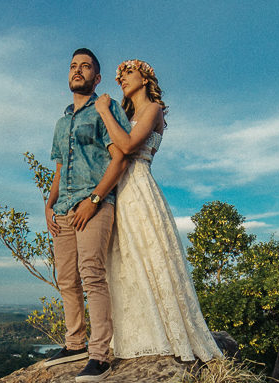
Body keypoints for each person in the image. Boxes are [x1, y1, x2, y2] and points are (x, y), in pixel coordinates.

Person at [94, 60, 222, 362]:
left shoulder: (153, 110)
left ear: (145, 77)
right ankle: (130, 333)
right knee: (124, 261)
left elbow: (126, 146)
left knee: (151, 257)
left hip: (139, 188)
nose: (120, 79)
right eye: (118, 76)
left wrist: (103, 111)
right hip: (117, 190)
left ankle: (165, 331)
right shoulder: (124, 114)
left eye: (127, 73)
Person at [43, 49, 131, 382]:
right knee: (66, 280)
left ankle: (99, 356)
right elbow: (59, 169)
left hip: (93, 205)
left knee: (92, 274)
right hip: (63, 209)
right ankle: (74, 343)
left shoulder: (104, 111)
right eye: (73, 66)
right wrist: (48, 205)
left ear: (96, 78)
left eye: (86, 67)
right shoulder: (61, 122)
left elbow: (120, 159)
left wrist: (94, 199)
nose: (77, 71)